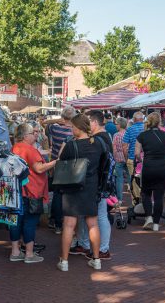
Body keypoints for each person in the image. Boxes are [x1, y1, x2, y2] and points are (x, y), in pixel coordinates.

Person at [57, 114, 104, 272]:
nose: (71, 130)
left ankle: (64, 261)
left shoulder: (71, 145)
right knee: (93, 224)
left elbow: (61, 162)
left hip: (72, 187)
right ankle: (96, 259)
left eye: (72, 127)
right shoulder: (98, 143)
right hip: (91, 186)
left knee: (69, 225)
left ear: (78, 128)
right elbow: (104, 162)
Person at [9, 123, 57, 263]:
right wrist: (55, 162)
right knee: (29, 222)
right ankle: (29, 254)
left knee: (16, 221)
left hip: (17, 191)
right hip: (31, 191)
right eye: (32, 133)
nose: (35, 135)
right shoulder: (29, 149)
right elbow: (39, 168)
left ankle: (15, 252)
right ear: (25, 136)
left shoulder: (15, 147)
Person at [70, 110, 112, 260]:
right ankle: (88, 244)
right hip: (98, 184)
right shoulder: (103, 138)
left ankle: (102, 248)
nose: (86, 125)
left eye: (88, 122)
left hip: (97, 185)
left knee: (99, 216)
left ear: (94, 122)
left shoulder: (100, 139)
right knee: (95, 215)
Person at [135, 112, 165, 232]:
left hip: (149, 167)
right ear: (159, 122)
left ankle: (149, 217)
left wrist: (141, 160)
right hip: (163, 167)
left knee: (145, 193)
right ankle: (156, 224)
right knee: (159, 196)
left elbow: (137, 154)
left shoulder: (142, 135)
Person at [46, 106, 76, 234]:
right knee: (69, 194)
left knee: (57, 194)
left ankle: (56, 222)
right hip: (72, 165)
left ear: (63, 117)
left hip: (56, 164)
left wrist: (60, 119)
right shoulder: (75, 131)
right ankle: (67, 221)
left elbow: (45, 124)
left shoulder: (55, 128)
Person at [123, 111, 145, 201]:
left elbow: (124, 146)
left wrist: (126, 158)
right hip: (146, 159)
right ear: (142, 119)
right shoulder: (146, 128)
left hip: (133, 158)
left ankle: (136, 201)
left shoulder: (129, 129)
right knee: (146, 180)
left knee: (134, 181)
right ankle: (145, 200)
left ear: (134, 119)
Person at [112, 117, 129, 203]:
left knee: (119, 179)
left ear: (119, 125)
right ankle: (134, 195)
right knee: (130, 177)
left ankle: (120, 199)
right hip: (128, 157)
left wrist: (114, 159)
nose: (115, 125)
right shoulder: (128, 133)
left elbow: (114, 149)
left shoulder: (116, 135)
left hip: (118, 158)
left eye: (116, 124)